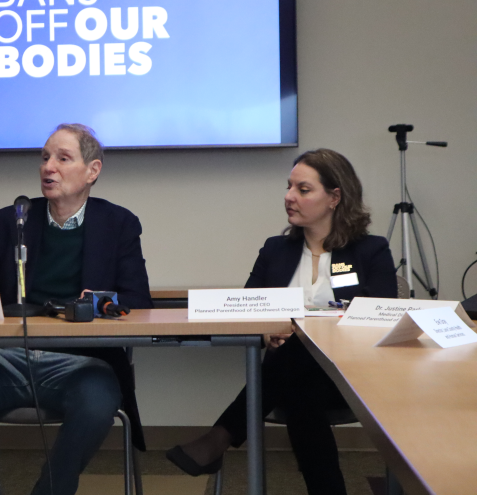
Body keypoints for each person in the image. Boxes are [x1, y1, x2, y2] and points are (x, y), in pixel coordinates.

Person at [0, 124, 152, 495]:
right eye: (44, 158)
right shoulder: (9, 221)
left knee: (99, 397)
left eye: (63, 158)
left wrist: (99, 303)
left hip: (83, 361)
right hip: (2, 357)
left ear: (93, 171)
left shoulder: (118, 224)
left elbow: (138, 300)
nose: (48, 168)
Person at [166, 149, 397, 495]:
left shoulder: (371, 251)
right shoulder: (276, 250)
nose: (289, 197)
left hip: (351, 377)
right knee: (300, 384)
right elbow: (246, 311)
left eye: (303, 190)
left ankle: (221, 436)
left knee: (298, 360)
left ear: (335, 197)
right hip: (296, 375)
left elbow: (378, 318)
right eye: (289, 187)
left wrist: (308, 329)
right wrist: (266, 332)